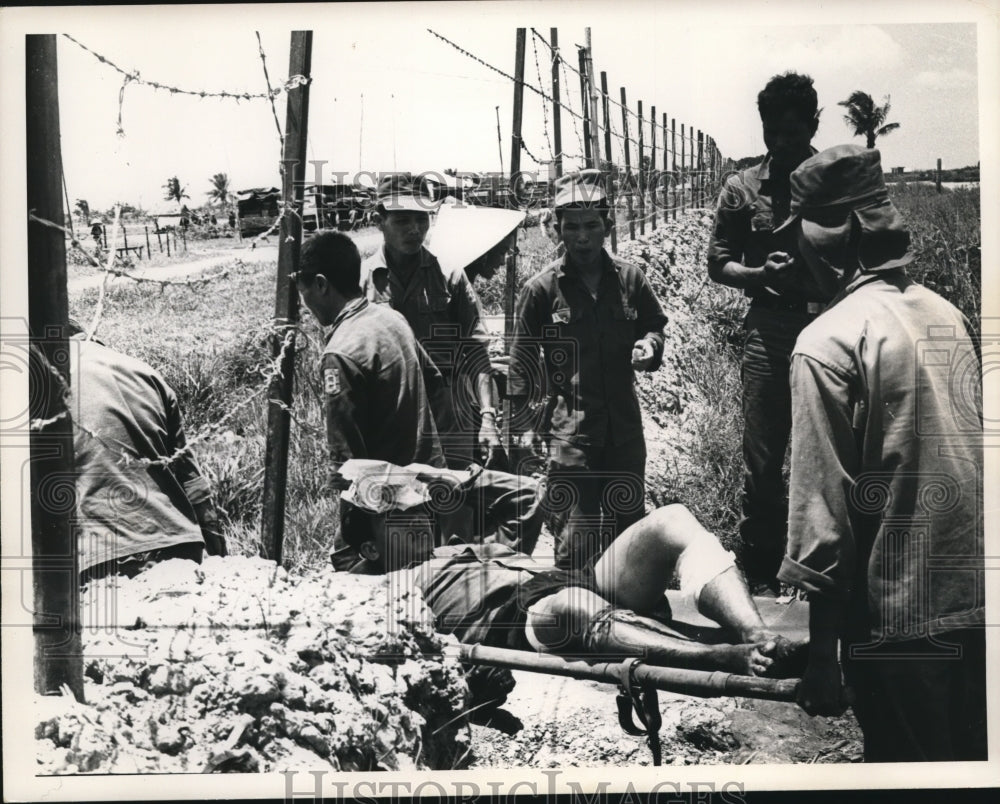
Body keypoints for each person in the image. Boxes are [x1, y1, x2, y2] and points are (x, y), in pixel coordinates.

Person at [774, 145, 985, 762]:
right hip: (977, 598)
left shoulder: (826, 342)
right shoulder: (944, 313)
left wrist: (822, 658)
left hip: (901, 619)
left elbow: (823, 516)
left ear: (827, 244)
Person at [338, 461, 804, 679]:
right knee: (569, 607)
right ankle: (719, 658)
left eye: (419, 510)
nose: (419, 517)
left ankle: (755, 635)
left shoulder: (455, 549)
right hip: (524, 622)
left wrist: (452, 478)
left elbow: (526, 495)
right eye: (399, 520)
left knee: (672, 520)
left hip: (564, 580)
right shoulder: (380, 589)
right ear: (369, 549)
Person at [508, 169, 668, 571]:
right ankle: (576, 623)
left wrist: (650, 346)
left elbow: (655, 324)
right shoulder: (541, 290)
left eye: (592, 226)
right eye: (572, 227)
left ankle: (632, 617)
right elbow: (521, 365)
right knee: (575, 544)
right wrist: (522, 429)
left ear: (608, 225)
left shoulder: (631, 279)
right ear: (556, 229)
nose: (582, 237)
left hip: (624, 434)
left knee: (630, 539)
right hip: (571, 439)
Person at [706, 72, 823, 595]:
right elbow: (718, 263)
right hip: (771, 330)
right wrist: (759, 277)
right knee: (763, 458)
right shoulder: (741, 187)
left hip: (833, 328)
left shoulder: (836, 179)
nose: (782, 145)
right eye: (772, 134)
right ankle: (761, 570)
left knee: (829, 455)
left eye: (794, 135)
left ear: (813, 126)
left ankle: (821, 571)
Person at [294, 232, 447, 569]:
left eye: (303, 289)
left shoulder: (341, 352)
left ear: (321, 285)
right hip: (425, 488)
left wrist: (354, 528)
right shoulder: (391, 318)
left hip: (385, 505)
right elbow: (436, 385)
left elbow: (345, 459)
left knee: (360, 588)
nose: (303, 301)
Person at [61, 324, 225, 582]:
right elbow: (195, 489)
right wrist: (220, 561)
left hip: (102, 561)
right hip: (181, 547)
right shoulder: (143, 372)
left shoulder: (39, 385)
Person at [361, 174, 500, 470]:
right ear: (378, 221)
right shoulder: (361, 281)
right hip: (388, 411)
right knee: (399, 504)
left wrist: (488, 417)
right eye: (402, 221)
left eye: (422, 219)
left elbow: (476, 351)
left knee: (456, 497)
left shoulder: (449, 275)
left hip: (448, 410)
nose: (414, 230)